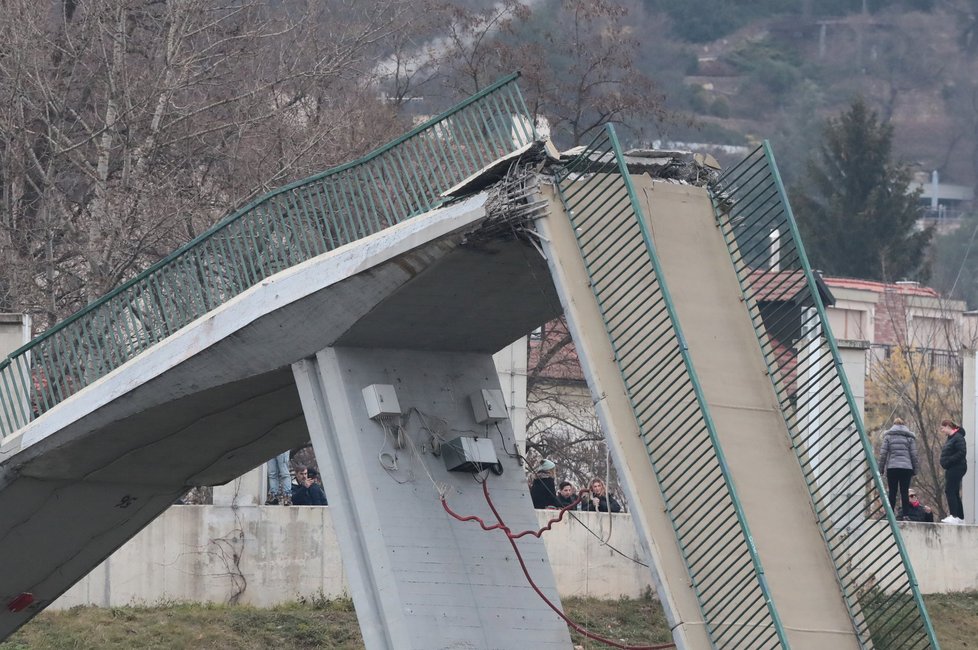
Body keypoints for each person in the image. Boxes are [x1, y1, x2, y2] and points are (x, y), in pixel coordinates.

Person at [878, 417, 918, 518]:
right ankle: (906, 515)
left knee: (892, 492)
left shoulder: (888, 437)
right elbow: (914, 455)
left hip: (893, 467)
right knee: (904, 492)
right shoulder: (909, 437)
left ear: (893, 425)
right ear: (904, 425)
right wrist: (915, 469)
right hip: (906, 468)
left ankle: (890, 515)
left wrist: (881, 469)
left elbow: (883, 454)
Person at [940, 418, 967, 524]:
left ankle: (954, 515)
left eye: (942, 428)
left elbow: (962, 452)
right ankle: (960, 517)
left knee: (949, 490)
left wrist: (949, 461)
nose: (942, 431)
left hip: (956, 467)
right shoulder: (951, 438)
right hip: (952, 467)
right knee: (954, 491)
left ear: (948, 426)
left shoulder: (958, 438)